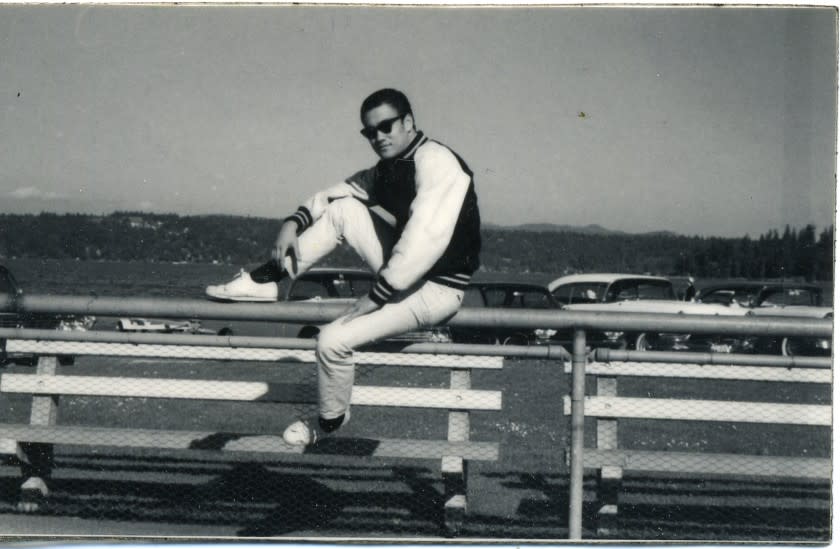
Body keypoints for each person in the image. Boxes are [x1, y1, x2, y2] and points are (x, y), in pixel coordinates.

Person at [205, 88, 482, 446]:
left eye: (386, 126)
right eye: (369, 132)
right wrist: (293, 222)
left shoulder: (438, 161)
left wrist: (377, 295)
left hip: (438, 289)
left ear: (409, 122)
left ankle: (329, 421)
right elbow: (335, 196)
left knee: (332, 340)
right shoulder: (388, 169)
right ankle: (269, 281)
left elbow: (425, 237)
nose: (378, 137)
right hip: (406, 280)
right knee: (344, 210)